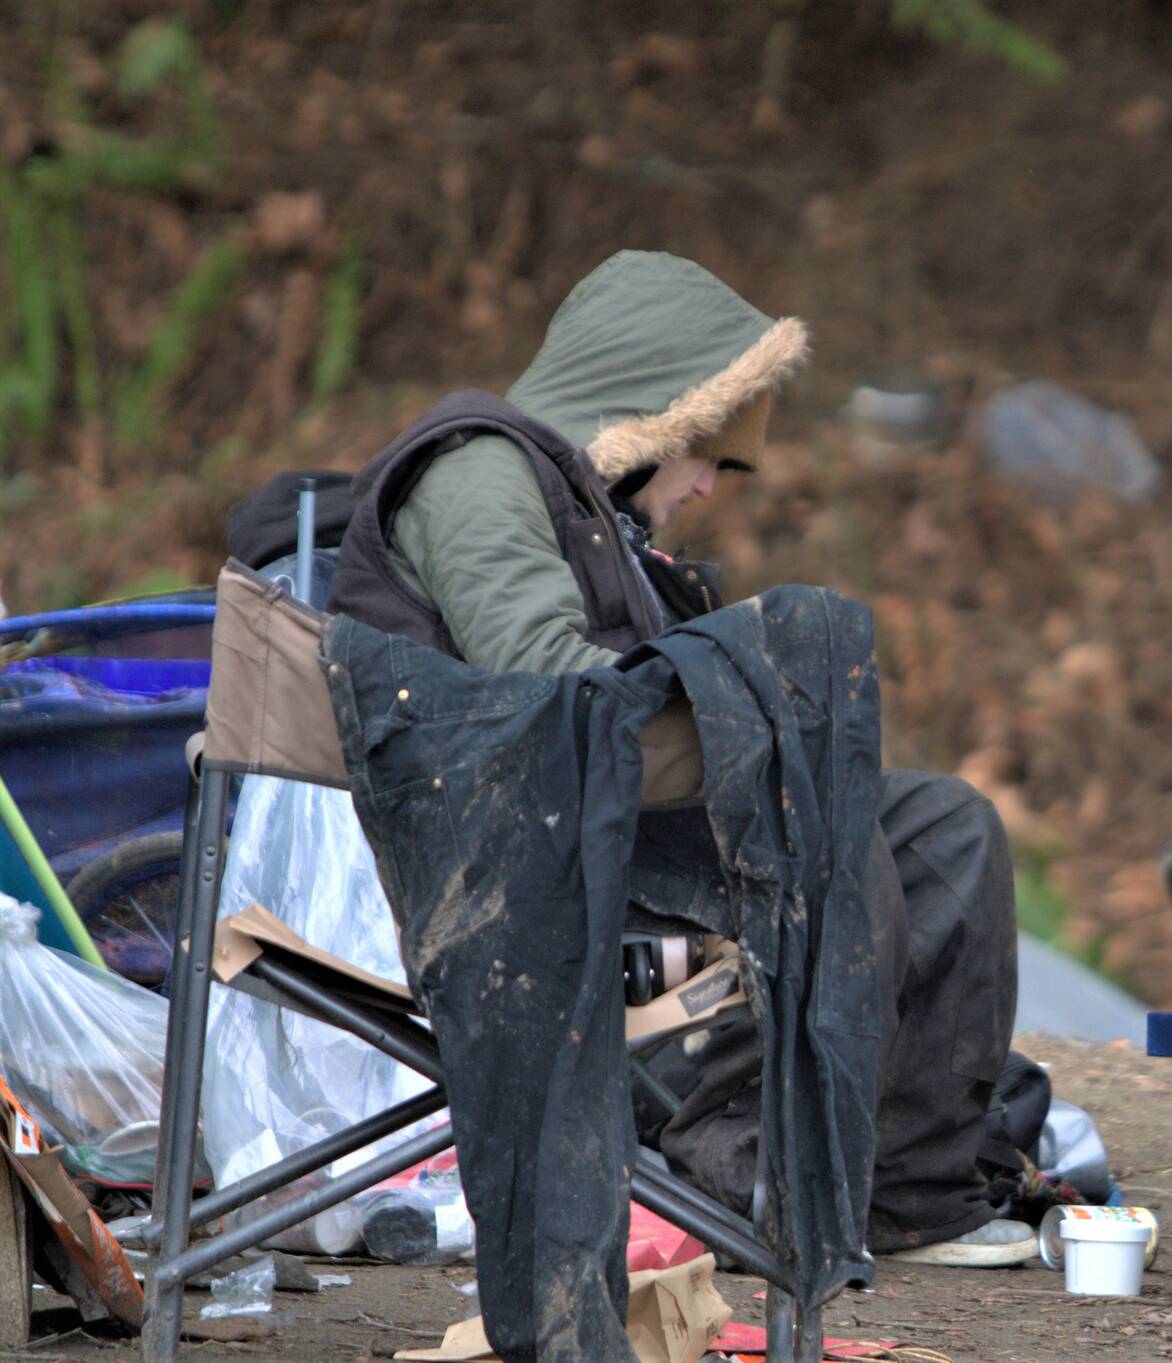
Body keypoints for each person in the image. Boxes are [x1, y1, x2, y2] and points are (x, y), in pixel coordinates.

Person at [328, 250, 1032, 1267]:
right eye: (703, 451)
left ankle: (902, 1194)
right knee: (822, 838)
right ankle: (735, 1166)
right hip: (519, 853)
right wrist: (745, 721)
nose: (707, 483)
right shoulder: (475, 471)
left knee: (948, 827)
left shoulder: (592, 512)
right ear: (645, 412)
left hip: (625, 817)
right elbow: (547, 688)